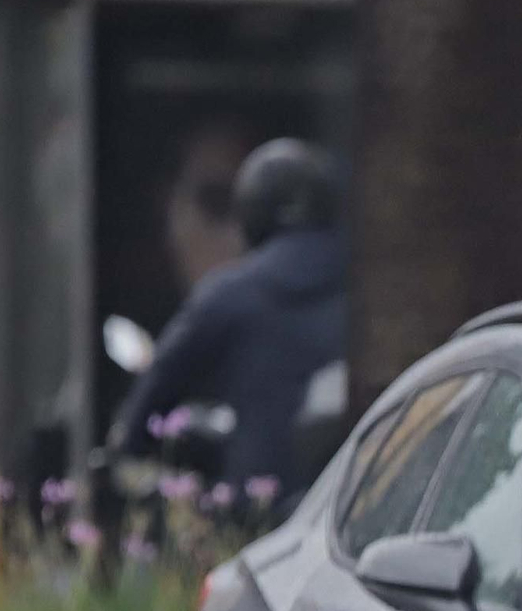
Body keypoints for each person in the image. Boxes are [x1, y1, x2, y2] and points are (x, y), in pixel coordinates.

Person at [112, 138, 346, 495]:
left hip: (260, 517)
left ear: (250, 214)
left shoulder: (227, 296)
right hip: (353, 512)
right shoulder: (372, 293)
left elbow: (150, 404)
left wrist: (130, 444)